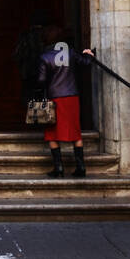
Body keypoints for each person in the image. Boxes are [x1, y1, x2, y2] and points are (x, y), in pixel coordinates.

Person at [37, 28, 94, 177]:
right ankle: (81, 168)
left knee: (52, 133)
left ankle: (59, 168)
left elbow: (41, 80)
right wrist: (89, 54)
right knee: (75, 132)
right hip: (72, 96)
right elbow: (86, 63)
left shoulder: (45, 56)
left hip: (54, 97)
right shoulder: (70, 52)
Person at [13, 12, 48, 104]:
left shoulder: (25, 35)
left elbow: (18, 54)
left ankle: (33, 116)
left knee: (30, 100)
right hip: (46, 72)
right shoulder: (48, 35)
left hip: (28, 72)